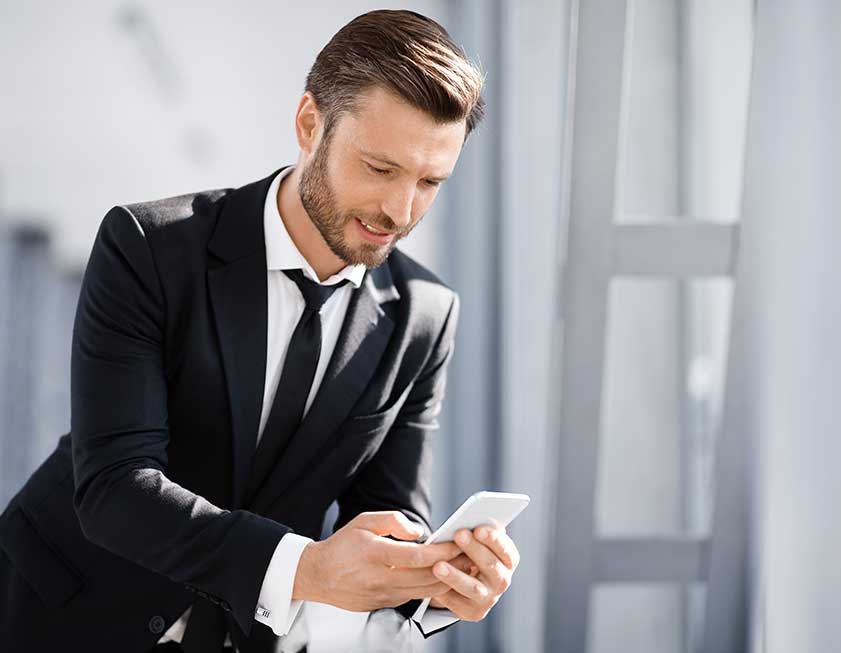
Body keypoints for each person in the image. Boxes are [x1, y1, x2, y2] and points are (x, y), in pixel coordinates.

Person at [0, 9, 520, 653]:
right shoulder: (149, 249)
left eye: (430, 182)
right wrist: (306, 568)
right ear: (309, 124)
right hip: (65, 614)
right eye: (381, 169)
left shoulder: (424, 314)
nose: (400, 210)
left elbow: (386, 516)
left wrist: (435, 579)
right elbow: (114, 488)